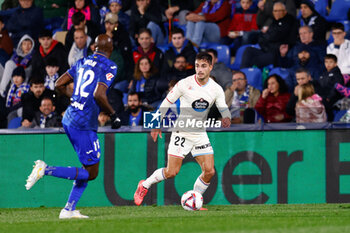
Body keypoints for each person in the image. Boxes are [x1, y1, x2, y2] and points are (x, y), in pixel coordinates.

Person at [24, 34, 122, 219]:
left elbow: (59, 83)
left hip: (70, 118)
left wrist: (75, 98)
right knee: (91, 173)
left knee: (86, 169)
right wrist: (113, 115)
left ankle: (68, 209)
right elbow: (99, 95)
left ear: (94, 48)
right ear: (110, 50)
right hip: (83, 123)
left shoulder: (83, 61)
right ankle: (45, 169)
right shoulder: (109, 65)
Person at [133, 52, 231, 208]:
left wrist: (226, 116)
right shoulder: (184, 84)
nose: (199, 70)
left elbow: (223, 107)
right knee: (172, 171)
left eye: (204, 66)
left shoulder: (216, 89)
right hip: (182, 132)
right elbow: (166, 102)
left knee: (209, 171)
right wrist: (156, 123)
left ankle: (194, 199)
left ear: (211, 67)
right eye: (197, 65)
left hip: (200, 134)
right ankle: (144, 185)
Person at [240, 2, 298, 69]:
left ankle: (247, 74)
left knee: (254, 60)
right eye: (275, 11)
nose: (277, 13)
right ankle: (242, 74)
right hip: (266, 49)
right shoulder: (274, 21)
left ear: (285, 11)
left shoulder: (290, 20)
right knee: (248, 50)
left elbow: (277, 36)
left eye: (279, 10)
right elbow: (263, 37)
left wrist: (267, 36)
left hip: (277, 54)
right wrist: (266, 37)